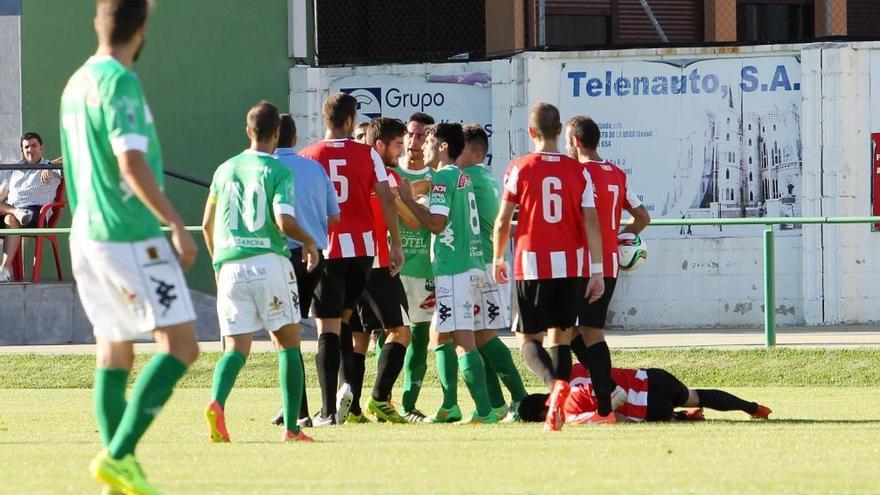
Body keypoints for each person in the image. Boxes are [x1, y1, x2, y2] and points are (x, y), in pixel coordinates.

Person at [60, 1, 200, 493]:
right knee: (181, 346)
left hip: (87, 235)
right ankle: (118, 455)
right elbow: (131, 162)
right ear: (141, 30)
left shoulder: (75, 84)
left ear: (99, 23)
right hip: (129, 234)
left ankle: (119, 476)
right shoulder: (120, 82)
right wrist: (176, 222)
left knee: (114, 351)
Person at [202, 101, 318, 445]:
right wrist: (310, 242)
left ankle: (217, 403)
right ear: (277, 134)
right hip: (269, 261)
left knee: (235, 349)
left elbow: (207, 225)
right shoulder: (280, 172)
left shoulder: (224, 170)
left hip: (230, 265)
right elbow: (283, 221)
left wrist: (217, 265)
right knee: (288, 344)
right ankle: (292, 428)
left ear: (248, 131)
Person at [491, 103, 605, 432]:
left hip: (532, 264)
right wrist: (596, 269)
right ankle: (560, 405)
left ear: (531, 132)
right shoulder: (578, 170)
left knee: (527, 338)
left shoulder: (520, 167)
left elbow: (502, 221)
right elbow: (592, 222)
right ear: (559, 132)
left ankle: (555, 386)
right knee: (560, 338)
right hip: (572, 266)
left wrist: (498, 258)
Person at [299, 93, 403, 426]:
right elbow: (387, 199)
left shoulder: (308, 156)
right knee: (346, 323)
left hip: (328, 249)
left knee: (326, 328)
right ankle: (349, 396)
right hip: (363, 253)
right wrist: (396, 245)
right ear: (350, 120)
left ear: (325, 119)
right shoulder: (368, 155)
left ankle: (329, 409)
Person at [398, 123, 497, 424]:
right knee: (440, 335)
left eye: (428, 141)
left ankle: (483, 410)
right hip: (468, 266)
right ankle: (450, 406)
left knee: (463, 340)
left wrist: (408, 202)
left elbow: (437, 223)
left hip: (454, 269)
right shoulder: (460, 176)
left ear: (442, 147)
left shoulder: (442, 179)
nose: (423, 147)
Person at [565, 115, 652, 424]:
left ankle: (605, 397)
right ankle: (609, 390)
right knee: (584, 330)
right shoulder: (616, 173)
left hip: (582, 263)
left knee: (571, 331)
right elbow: (642, 218)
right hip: (610, 264)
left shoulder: (576, 173)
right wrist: (620, 237)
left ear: (575, 141)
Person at [269, 114, 340, 429]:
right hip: (315, 258)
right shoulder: (314, 168)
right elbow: (333, 217)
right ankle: (296, 404)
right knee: (295, 332)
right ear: (294, 138)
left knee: (284, 335)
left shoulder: (265, 169)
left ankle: (298, 410)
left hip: (281, 256)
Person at [456, 124, 528, 421]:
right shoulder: (488, 177)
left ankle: (520, 399)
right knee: (477, 335)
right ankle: (500, 404)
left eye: (457, 148)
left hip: (482, 263)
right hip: (488, 262)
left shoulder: (468, 177)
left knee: (480, 337)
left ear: (474, 152)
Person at [344, 117, 414, 424]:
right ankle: (380, 398)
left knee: (359, 337)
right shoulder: (387, 177)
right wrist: (409, 198)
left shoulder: (354, 173)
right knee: (401, 332)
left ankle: (353, 407)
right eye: (398, 144)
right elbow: (411, 220)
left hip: (352, 260)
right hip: (378, 263)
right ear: (380, 145)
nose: (402, 150)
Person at [516, 363, 772, 423]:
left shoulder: (568, 411)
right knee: (697, 394)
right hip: (654, 378)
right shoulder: (572, 369)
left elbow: (614, 418)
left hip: (650, 407)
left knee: (645, 415)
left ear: (543, 412)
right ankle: (752, 408)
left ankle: (681, 417)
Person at [393, 112, 436, 422]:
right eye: (410, 134)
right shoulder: (391, 173)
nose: (414, 141)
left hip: (424, 268)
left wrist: (407, 198)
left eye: (421, 136)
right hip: (394, 267)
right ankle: (383, 398)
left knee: (420, 336)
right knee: (390, 336)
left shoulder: (438, 178)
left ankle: (409, 403)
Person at [0, 132, 63, 281]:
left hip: (35, 213)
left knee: (10, 219)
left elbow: (74, 156)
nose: (30, 150)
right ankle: (16, 212)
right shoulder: (13, 169)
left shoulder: (51, 168)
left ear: (42, 148)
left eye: (34, 146)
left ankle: (4, 269)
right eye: (26, 147)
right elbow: (2, 194)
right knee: (11, 216)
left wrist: (51, 164)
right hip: (12, 209)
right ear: (22, 150)